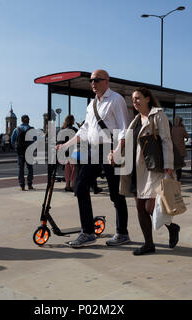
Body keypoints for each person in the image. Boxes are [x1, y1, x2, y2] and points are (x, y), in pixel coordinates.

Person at [57, 69, 130, 248]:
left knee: (116, 193)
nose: (93, 83)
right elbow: (84, 131)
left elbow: (124, 128)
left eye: (97, 80)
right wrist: (65, 146)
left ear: (106, 81)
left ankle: (122, 232)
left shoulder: (116, 99)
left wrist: (118, 151)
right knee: (80, 187)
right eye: (91, 80)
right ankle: (88, 232)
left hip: (110, 149)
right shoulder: (91, 105)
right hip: (93, 150)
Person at [110, 88, 180, 255]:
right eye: (133, 99)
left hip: (153, 168)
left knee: (150, 207)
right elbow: (127, 142)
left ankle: (172, 227)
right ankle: (149, 244)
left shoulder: (157, 115)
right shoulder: (135, 120)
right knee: (140, 208)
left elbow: (166, 140)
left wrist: (169, 164)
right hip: (135, 169)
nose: (135, 102)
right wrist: (115, 155)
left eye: (138, 98)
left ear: (148, 99)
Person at [11, 115, 34, 191]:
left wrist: (16, 147)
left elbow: (12, 140)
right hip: (29, 151)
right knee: (30, 168)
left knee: (21, 168)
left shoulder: (16, 129)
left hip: (20, 151)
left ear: (21, 120)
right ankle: (29, 184)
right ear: (27, 120)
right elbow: (36, 139)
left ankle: (22, 185)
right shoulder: (31, 129)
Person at [61, 115, 78, 192]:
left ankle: (67, 184)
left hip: (65, 152)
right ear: (72, 121)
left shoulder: (63, 130)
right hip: (73, 151)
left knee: (67, 167)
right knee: (74, 168)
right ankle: (72, 184)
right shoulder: (75, 130)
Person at [171, 116, 189, 181]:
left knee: (174, 164)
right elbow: (187, 136)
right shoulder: (182, 129)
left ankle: (173, 177)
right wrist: (183, 127)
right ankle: (178, 178)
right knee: (180, 165)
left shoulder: (171, 129)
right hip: (181, 150)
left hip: (173, 150)